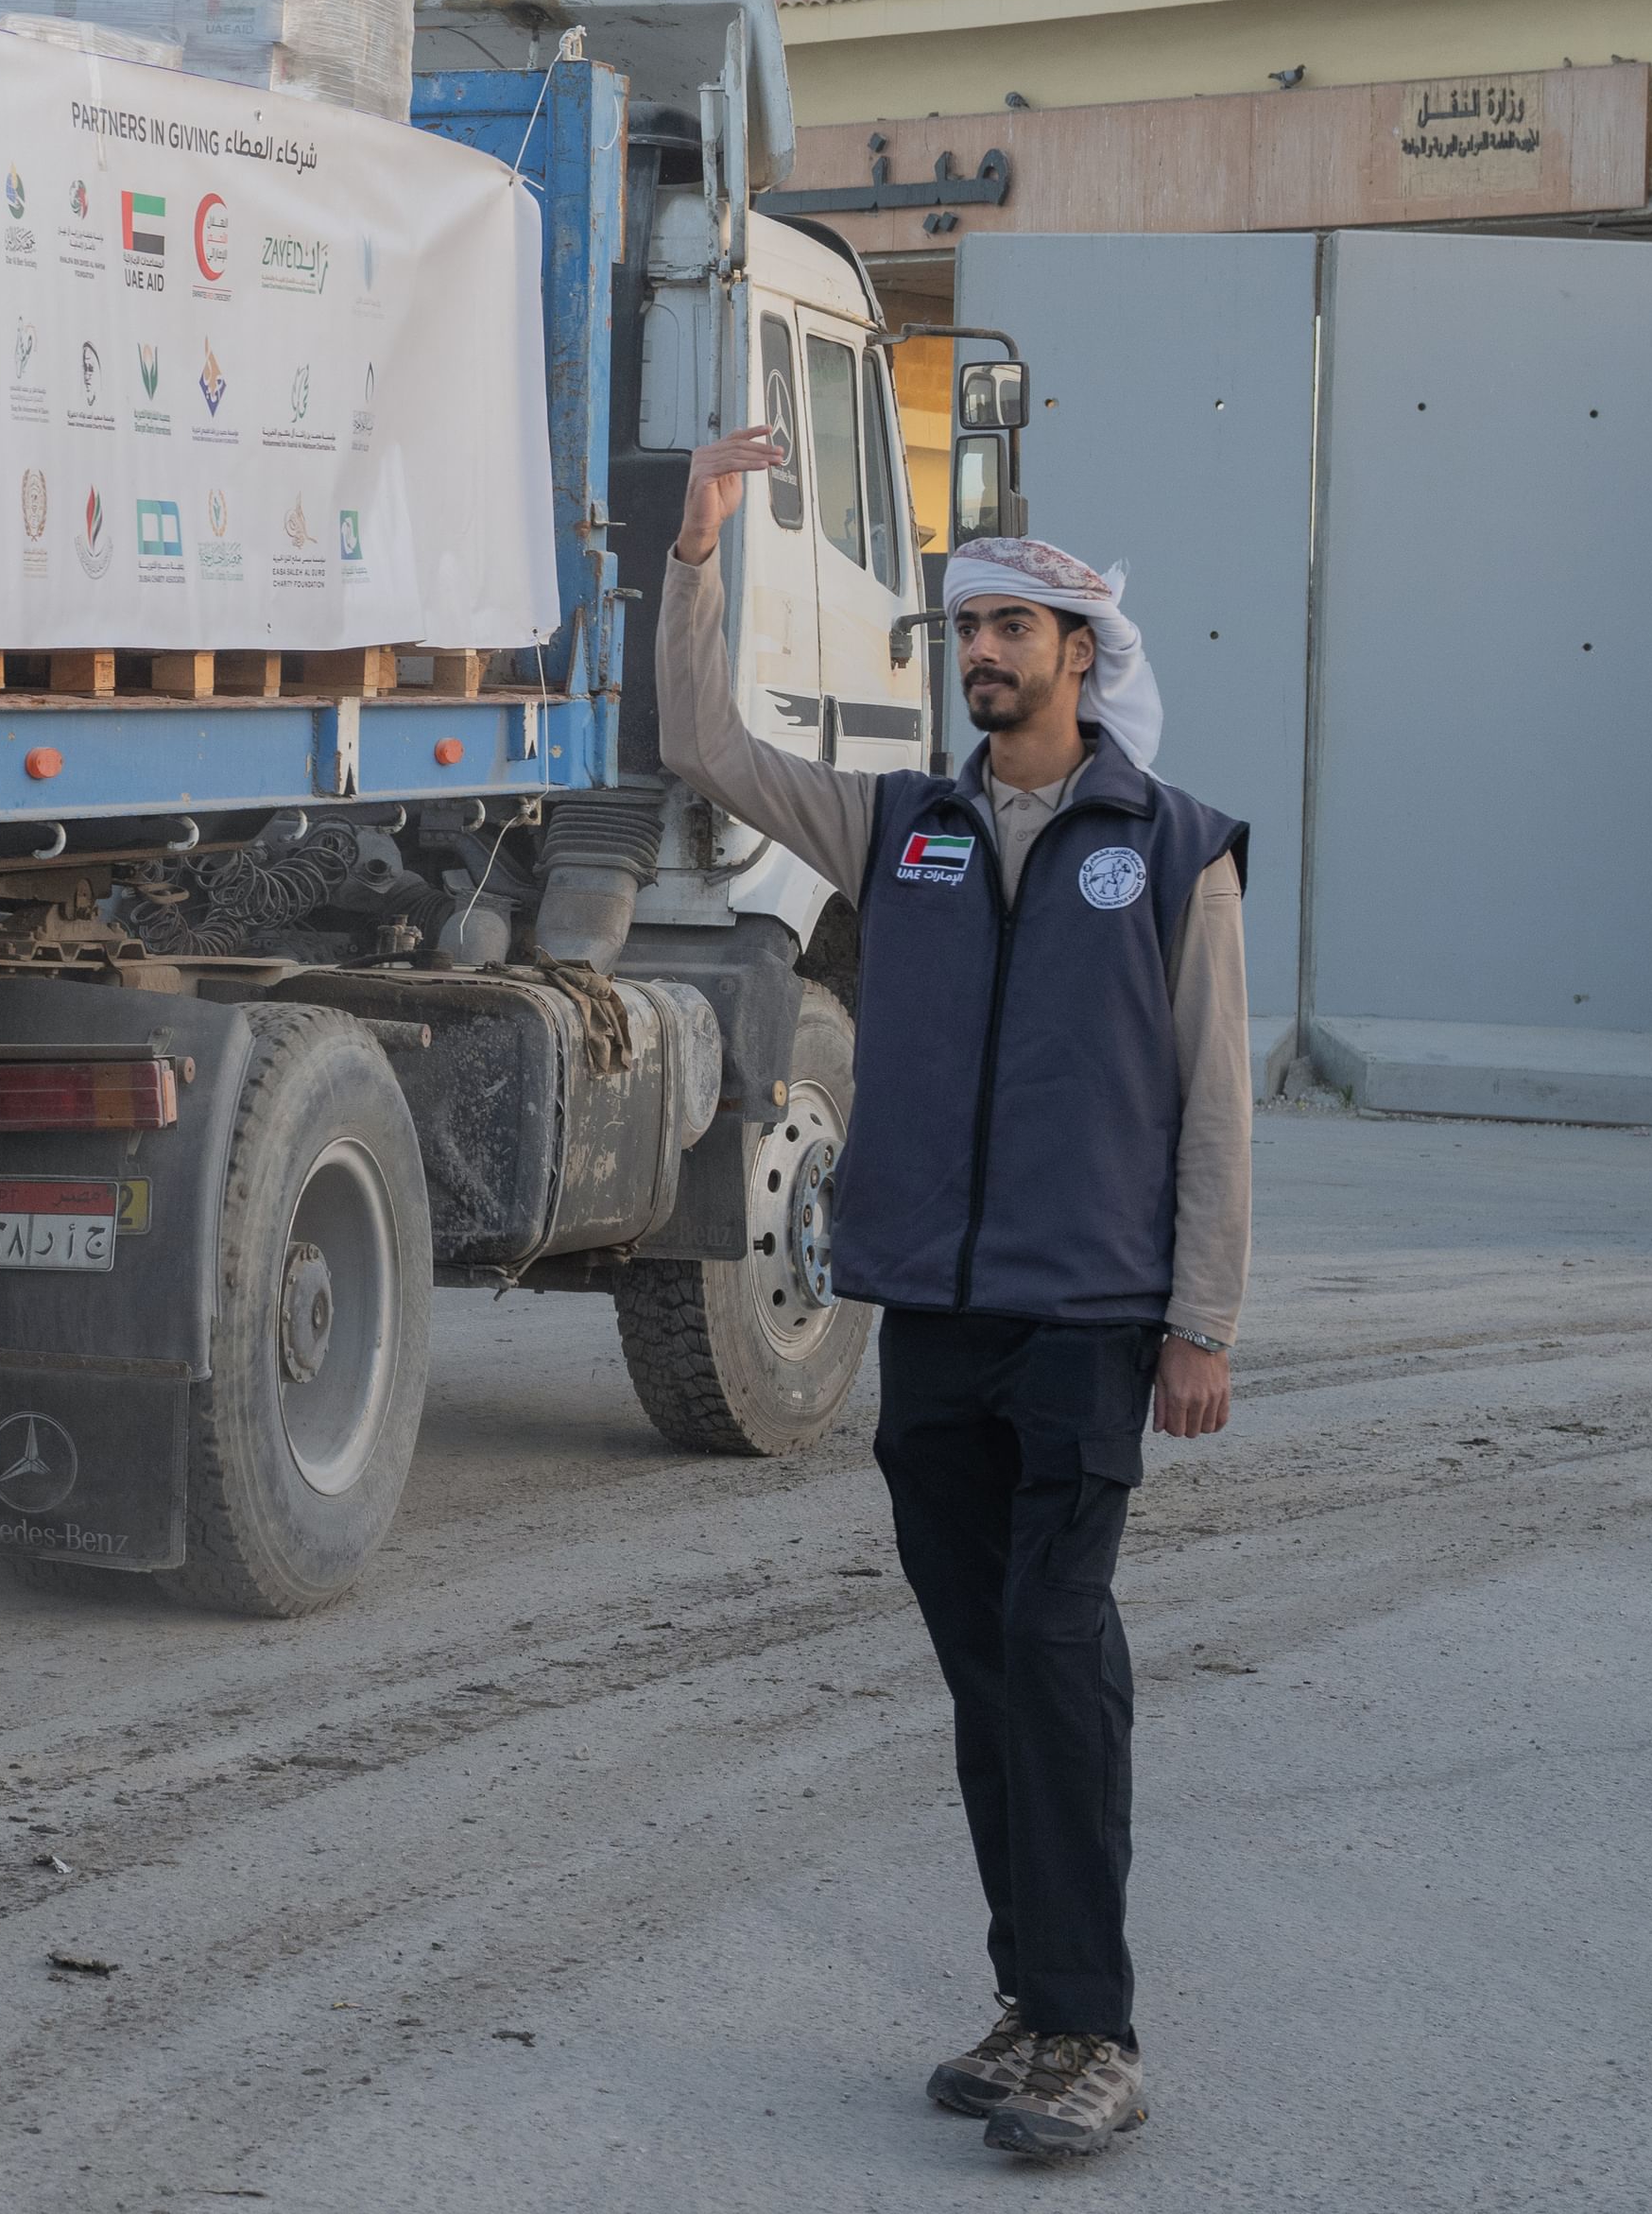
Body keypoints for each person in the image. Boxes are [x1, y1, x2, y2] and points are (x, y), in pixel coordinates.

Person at [660, 433, 1251, 2165]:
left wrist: (1198, 1321)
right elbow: (701, 746)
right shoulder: (895, 825)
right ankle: (1030, 1999)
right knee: (987, 1667)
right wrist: (694, 558)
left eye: (1011, 628)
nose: (980, 653)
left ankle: (1097, 2031)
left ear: (1083, 657)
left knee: (1057, 1654)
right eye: (964, 629)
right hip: (931, 1322)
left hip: (1085, 1325)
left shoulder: (1176, 851)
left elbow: (1213, 1102)